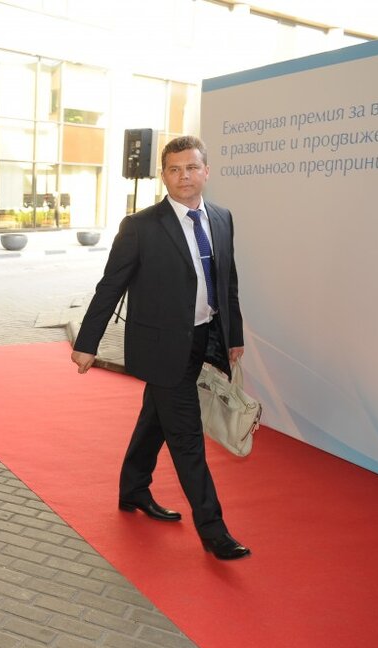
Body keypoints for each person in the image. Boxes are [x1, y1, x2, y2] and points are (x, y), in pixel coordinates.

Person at [70, 135, 250, 561]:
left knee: (156, 416)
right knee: (186, 438)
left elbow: (227, 281)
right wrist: (87, 342)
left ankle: (133, 489)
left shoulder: (221, 218)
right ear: (164, 176)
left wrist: (233, 335)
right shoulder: (141, 226)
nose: (184, 176)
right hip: (161, 345)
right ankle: (213, 531)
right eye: (174, 169)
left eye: (192, 167)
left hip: (205, 337)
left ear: (206, 171)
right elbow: (111, 286)